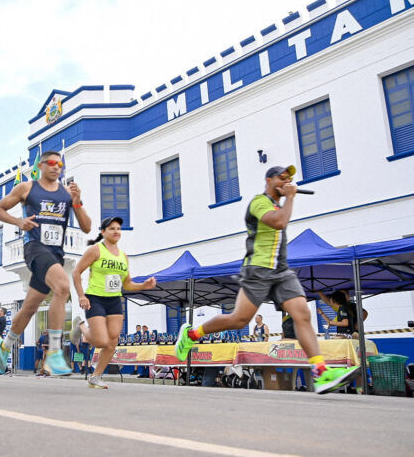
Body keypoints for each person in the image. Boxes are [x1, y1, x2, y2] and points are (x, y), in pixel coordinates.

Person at [173, 165, 359, 394]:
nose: (287, 181)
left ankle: (321, 371)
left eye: (289, 179)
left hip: (281, 271)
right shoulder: (259, 202)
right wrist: (290, 197)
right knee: (239, 320)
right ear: (269, 180)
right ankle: (192, 334)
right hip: (258, 269)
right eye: (282, 178)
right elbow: (279, 222)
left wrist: (287, 197)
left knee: (303, 313)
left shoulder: (277, 205)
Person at [0, 151, 92, 375]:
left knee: (30, 307)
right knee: (63, 286)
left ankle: (5, 345)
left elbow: (86, 227)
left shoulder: (67, 193)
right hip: (34, 248)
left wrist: (76, 204)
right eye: (52, 163)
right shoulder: (27, 188)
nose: (57, 167)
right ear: (41, 165)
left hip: (56, 253)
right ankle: (55, 353)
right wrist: (18, 221)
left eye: (60, 164)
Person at [71, 217, 157, 389]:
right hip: (95, 298)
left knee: (112, 341)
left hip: (114, 300)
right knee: (101, 341)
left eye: (118, 228)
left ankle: (95, 377)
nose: (116, 231)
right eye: (112, 228)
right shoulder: (96, 250)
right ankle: (80, 326)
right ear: (103, 232)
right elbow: (76, 272)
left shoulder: (124, 257)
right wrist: (81, 296)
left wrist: (143, 286)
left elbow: (127, 284)